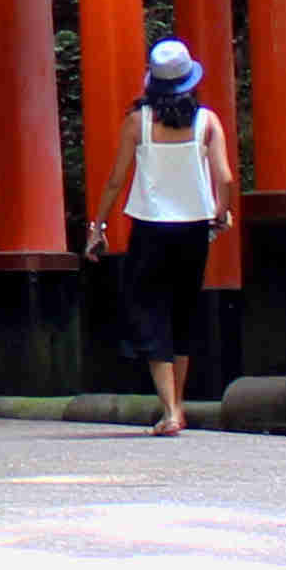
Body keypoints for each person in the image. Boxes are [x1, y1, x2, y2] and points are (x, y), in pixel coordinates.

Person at [93, 35, 234, 437]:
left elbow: (117, 178)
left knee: (149, 311)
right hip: (194, 228)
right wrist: (220, 213)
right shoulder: (208, 122)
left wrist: (98, 225)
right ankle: (179, 405)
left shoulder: (139, 122)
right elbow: (224, 176)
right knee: (183, 311)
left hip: (151, 228)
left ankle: (170, 410)